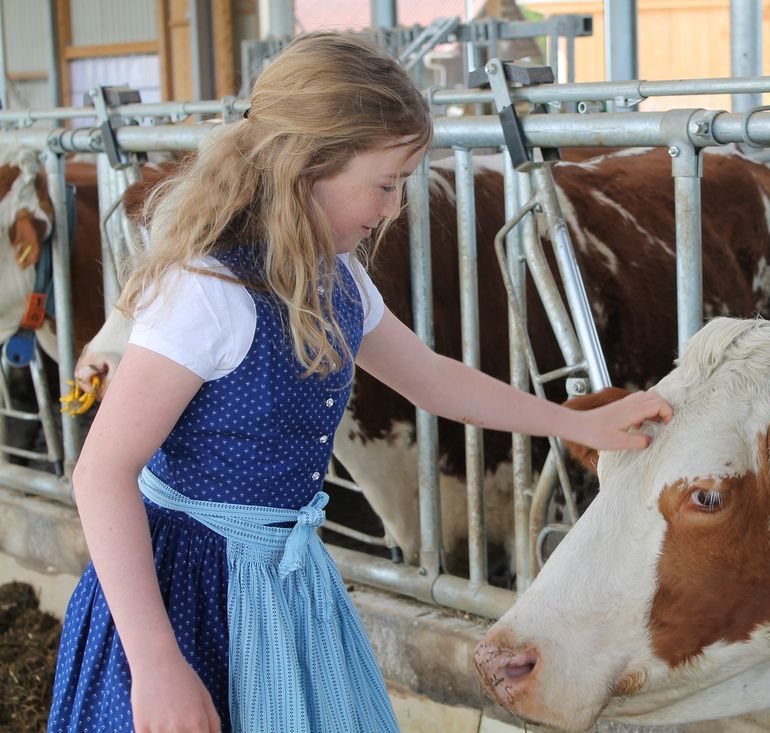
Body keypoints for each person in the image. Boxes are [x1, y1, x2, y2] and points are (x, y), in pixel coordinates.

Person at [46, 30, 671, 733]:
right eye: (386, 183)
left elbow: (431, 379)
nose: (393, 208)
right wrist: (157, 661)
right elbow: (101, 471)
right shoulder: (207, 291)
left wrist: (578, 423)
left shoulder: (334, 277)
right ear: (306, 165)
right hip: (187, 590)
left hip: (282, 580)